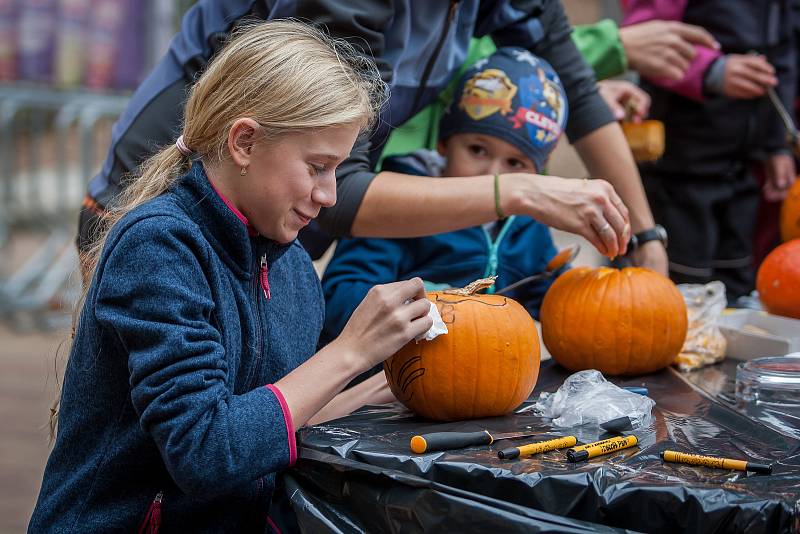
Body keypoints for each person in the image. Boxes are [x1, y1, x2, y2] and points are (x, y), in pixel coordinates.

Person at [30, 22, 436, 531]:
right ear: (244, 141)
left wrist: (380, 388)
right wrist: (348, 351)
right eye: (317, 167)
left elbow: (276, 423)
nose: (330, 195)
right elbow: (207, 451)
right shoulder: (158, 247)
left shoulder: (291, 271)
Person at [77, 0, 705, 276]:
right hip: (164, 209)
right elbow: (338, 187)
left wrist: (644, 235)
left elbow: (577, 84)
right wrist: (517, 191)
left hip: (272, 227)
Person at [322, 49, 568, 342]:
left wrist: (580, 289)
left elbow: (554, 301)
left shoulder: (528, 226)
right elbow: (338, 297)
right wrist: (427, 301)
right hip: (392, 376)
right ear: (444, 143)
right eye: (477, 149)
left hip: (489, 375)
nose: (492, 175)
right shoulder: (401, 204)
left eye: (515, 163)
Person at [623, 0, 797, 301]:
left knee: (737, 282)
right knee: (678, 284)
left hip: (744, 163)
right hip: (679, 164)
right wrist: (710, 70)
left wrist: (777, 142)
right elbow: (642, 37)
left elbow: (785, 53)